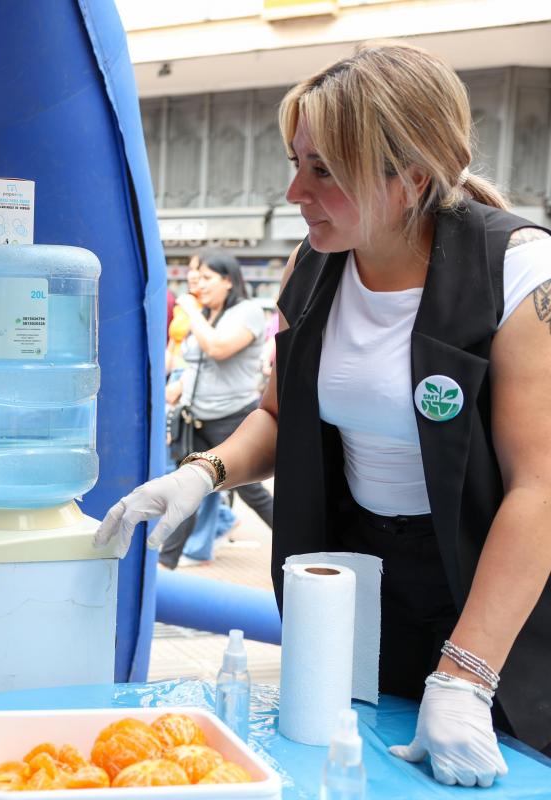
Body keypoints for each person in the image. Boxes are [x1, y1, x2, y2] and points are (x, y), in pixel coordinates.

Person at [96, 42, 551, 780]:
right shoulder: (317, 263)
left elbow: (541, 488)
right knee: (354, 759)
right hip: (361, 573)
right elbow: (280, 413)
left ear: (409, 179)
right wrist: (200, 474)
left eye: (322, 171)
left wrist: (467, 673)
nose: (292, 193)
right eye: (294, 162)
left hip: (489, 584)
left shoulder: (519, 272)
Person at [157, 249, 273, 570]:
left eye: (207, 277)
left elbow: (218, 349)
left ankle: (301, 546)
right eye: (196, 276)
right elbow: (194, 365)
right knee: (189, 490)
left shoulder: (246, 312)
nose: (199, 283)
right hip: (196, 422)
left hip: (233, 422)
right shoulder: (205, 315)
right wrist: (173, 391)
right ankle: (166, 563)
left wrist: (191, 310)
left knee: (252, 492)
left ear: (228, 281)